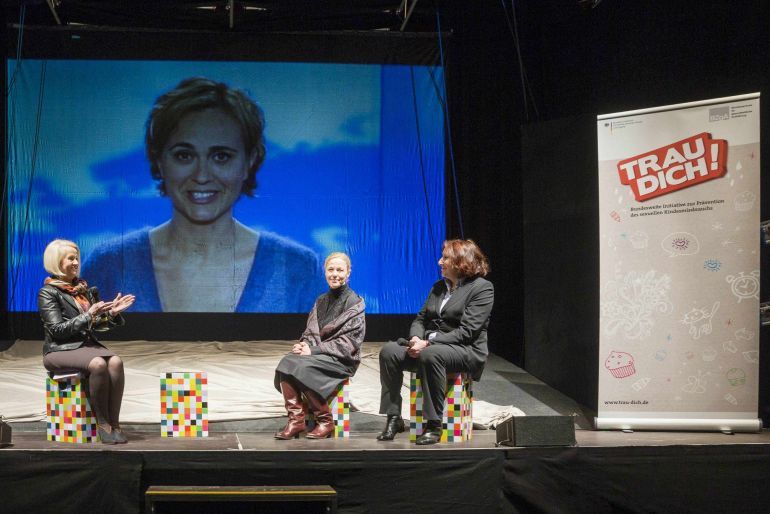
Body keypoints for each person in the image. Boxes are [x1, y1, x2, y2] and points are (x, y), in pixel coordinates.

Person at [84, 77, 322, 313]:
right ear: (159, 160)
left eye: (221, 157)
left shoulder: (298, 268)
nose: (201, 175)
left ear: (249, 161)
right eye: (184, 156)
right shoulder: (110, 265)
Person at [377, 239, 494, 445]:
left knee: (432, 355)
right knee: (389, 351)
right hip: (431, 348)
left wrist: (428, 343)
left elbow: (467, 332)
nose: (440, 262)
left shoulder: (482, 288)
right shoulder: (438, 287)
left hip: (465, 350)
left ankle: (434, 424)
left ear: (461, 261)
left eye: (445, 258)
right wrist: (415, 338)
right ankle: (393, 417)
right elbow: (421, 318)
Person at [37, 239, 136, 444]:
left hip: (85, 346)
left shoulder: (83, 289)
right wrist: (88, 315)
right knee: (98, 363)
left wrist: (111, 314)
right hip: (59, 349)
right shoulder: (48, 292)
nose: (75, 263)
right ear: (57, 262)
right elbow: (57, 330)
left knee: (115, 361)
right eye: (70, 258)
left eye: (77, 258)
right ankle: (103, 424)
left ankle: (115, 423)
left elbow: (95, 325)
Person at [273, 252, 366, 439]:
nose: (335, 274)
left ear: (348, 273)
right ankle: (296, 421)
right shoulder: (321, 300)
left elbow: (349, 344)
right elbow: (311, 332)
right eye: (331, 270)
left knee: (302, 368)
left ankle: (325, 421)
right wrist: (304, 345)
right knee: (287, 362)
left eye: (340, 270)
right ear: (325, 272)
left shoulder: (354, 303)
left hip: (342, 359)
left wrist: (313, 350)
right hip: (320, 356)